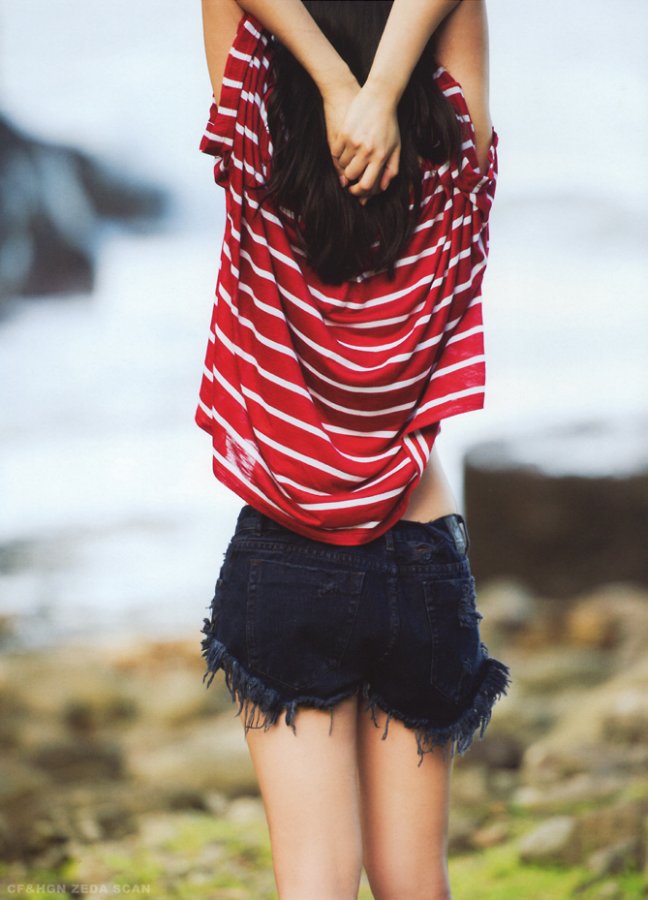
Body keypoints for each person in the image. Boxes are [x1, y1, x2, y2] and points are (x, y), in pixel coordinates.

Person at [197, 1, 510, 897]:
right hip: (420, 550)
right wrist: (378, 89)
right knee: (415, 880)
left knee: (314, 880)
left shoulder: (254, 134)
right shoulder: (455, 155)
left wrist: (333, 85)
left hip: (284, 553)